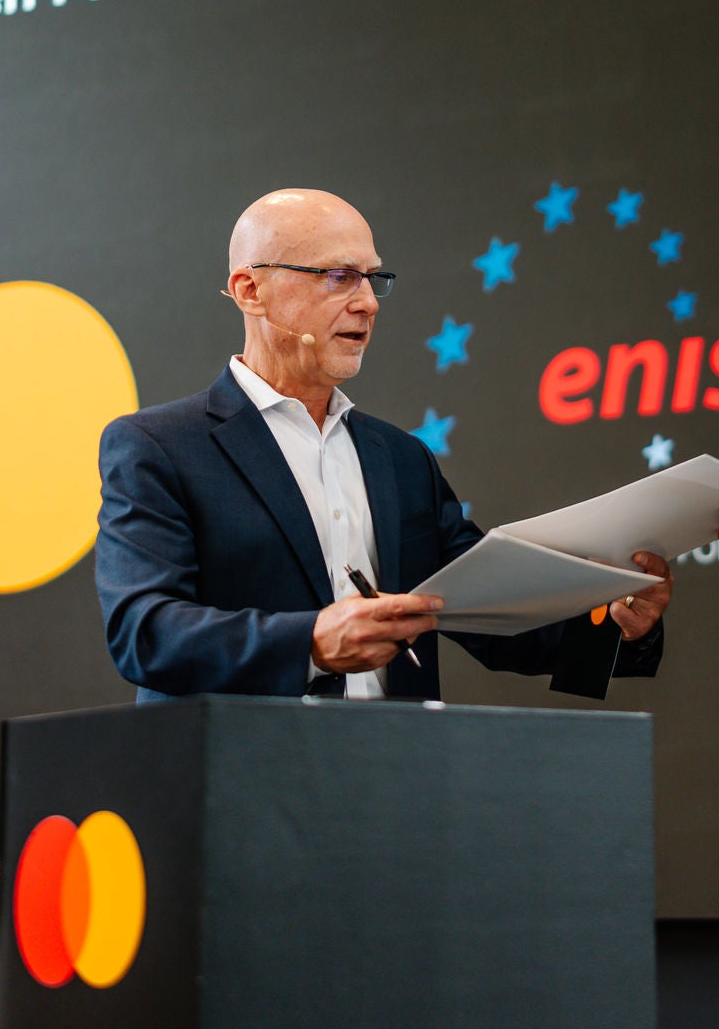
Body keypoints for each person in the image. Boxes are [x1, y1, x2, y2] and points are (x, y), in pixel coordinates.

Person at [96, 187, 671, 702]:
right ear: (252, 290)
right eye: (339, 276)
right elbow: (145, 633)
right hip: (245, 791)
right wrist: (312, 644)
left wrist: (617, 623)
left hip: (394, 785)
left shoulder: (400, 459)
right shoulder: (160, 446)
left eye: (373, 279)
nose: (368, 302)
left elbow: (486, 616)